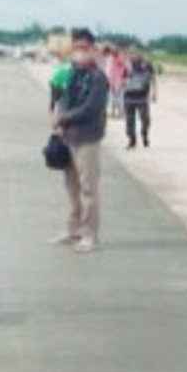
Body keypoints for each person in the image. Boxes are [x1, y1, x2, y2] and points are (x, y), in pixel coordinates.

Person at [50, 28, 108, 254]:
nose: (80, 52)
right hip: (69, 137)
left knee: (88, 189)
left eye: (84, 48)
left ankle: (90, 235)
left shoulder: (98, 78)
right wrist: (59, 117)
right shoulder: (72, 73)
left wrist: (63, 118)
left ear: (93, 50)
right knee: (72, 188)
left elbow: (91, 108)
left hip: (87, 139)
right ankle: (73, 230)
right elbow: (63, 98)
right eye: (76, 48)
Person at [123, 50, 157, 149]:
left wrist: (154, 92)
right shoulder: (127, 65)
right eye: (131, 54)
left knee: (145, 119)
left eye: (135, 54)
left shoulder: (147, 65)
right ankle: (132, 139)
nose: (133, 56)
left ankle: (144, 134)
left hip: (142, 97)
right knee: (129, 120)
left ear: (140, 55)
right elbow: (122, 78)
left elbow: (153, 78)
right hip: (128, 96)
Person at [105, 46, 128, 118]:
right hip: (111, 81)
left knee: (120, 98)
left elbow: (126, 70)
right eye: (112, 52)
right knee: (111, 98)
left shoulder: (121, 59)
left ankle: (121, 113)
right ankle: (112, 112)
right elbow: (108, 71)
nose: (113, 53)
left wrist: (124, 80)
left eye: (115, 51)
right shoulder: (109, 59)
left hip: (119, 81)